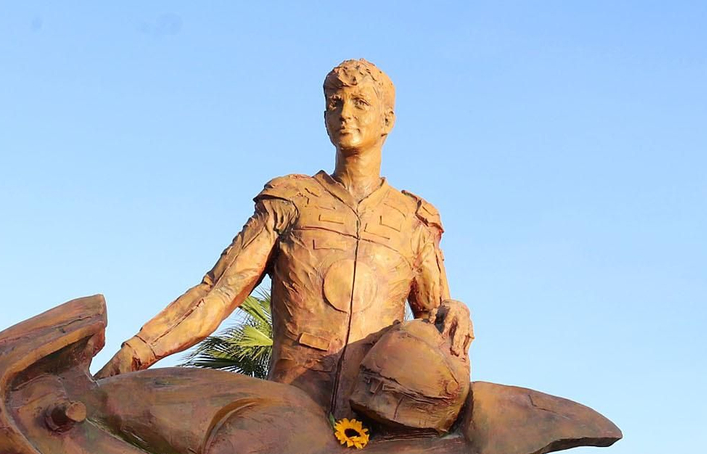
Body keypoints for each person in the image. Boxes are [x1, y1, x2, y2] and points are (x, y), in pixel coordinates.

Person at [96, 59, 474, 414]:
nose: (345, 113)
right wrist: (134, 354)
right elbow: (218, 292)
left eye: (360, 103)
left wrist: (453, 309)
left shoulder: (414, 220)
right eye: (335, 103)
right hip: (289, 416)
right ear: (324, 117)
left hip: (372, 427)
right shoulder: (291, 200)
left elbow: (435, 334)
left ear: (387, 120)